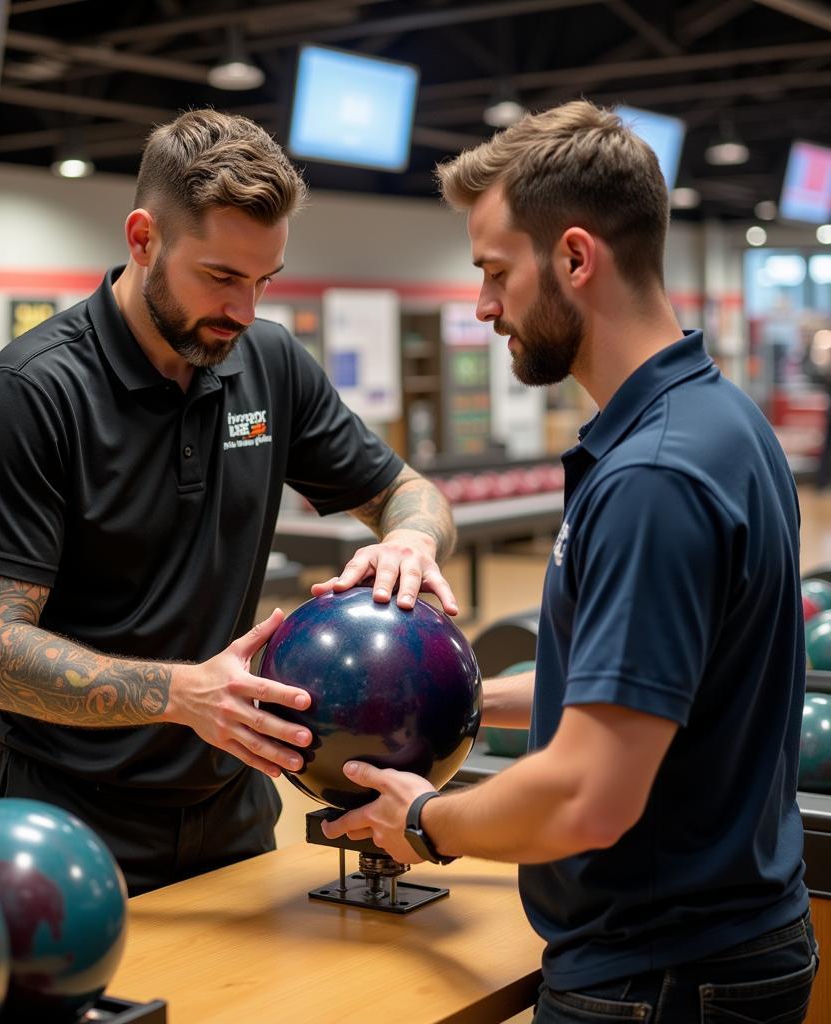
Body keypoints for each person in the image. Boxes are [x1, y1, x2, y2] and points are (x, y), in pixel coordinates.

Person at [323, 100, 817, 1023]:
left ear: (577, 258)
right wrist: (446, 693)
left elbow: (588, 797)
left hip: (660, 976)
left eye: (496, 272)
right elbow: (650, 687)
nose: (482, 306)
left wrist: (425, 822)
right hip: (722, 949)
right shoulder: (722, 421)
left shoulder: (654, 478)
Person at [0, 109, 458, 897]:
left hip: (235, 806)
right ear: (143, 238)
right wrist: (183, 695)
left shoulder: (269, 362)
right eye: (221, 277)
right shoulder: (33, 392)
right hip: (67, 824)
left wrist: (411, 542)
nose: (245, 310)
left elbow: (405, 491)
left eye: (265, 281)